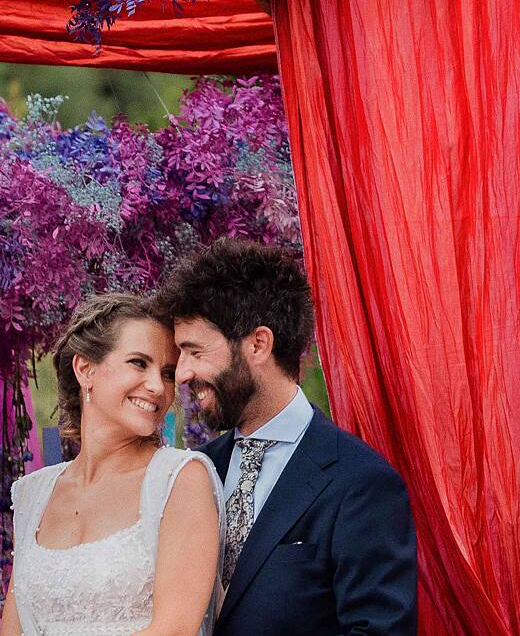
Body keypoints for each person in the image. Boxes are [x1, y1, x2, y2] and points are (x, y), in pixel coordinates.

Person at [154, 242, 418, 635]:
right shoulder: (196, 471)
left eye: (195, 352)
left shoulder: (361, 483)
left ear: (258, 344)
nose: (183, 374)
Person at [3, 293, 222, 636]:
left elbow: (175, 629)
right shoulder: (32, 494)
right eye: (139, 363)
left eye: (167, 373)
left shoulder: (179, 478)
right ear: (85, 369)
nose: (157, 387)